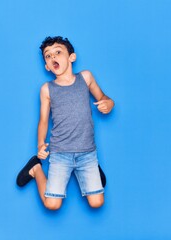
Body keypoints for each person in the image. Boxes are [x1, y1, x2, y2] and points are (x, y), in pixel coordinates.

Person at [16, 36, 114, 210]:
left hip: (87, 152)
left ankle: (92, 170)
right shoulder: (47, 89)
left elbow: (103, 97)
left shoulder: (86, 77)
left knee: (97, 202)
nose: (53, 57)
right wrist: (40, 145)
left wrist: (109, 103)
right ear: (47, 66)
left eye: (58, 52)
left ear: (71, 57)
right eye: (48, 56)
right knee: (52, 204)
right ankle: (35, 168)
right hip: (60, 153)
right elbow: (43, 120)